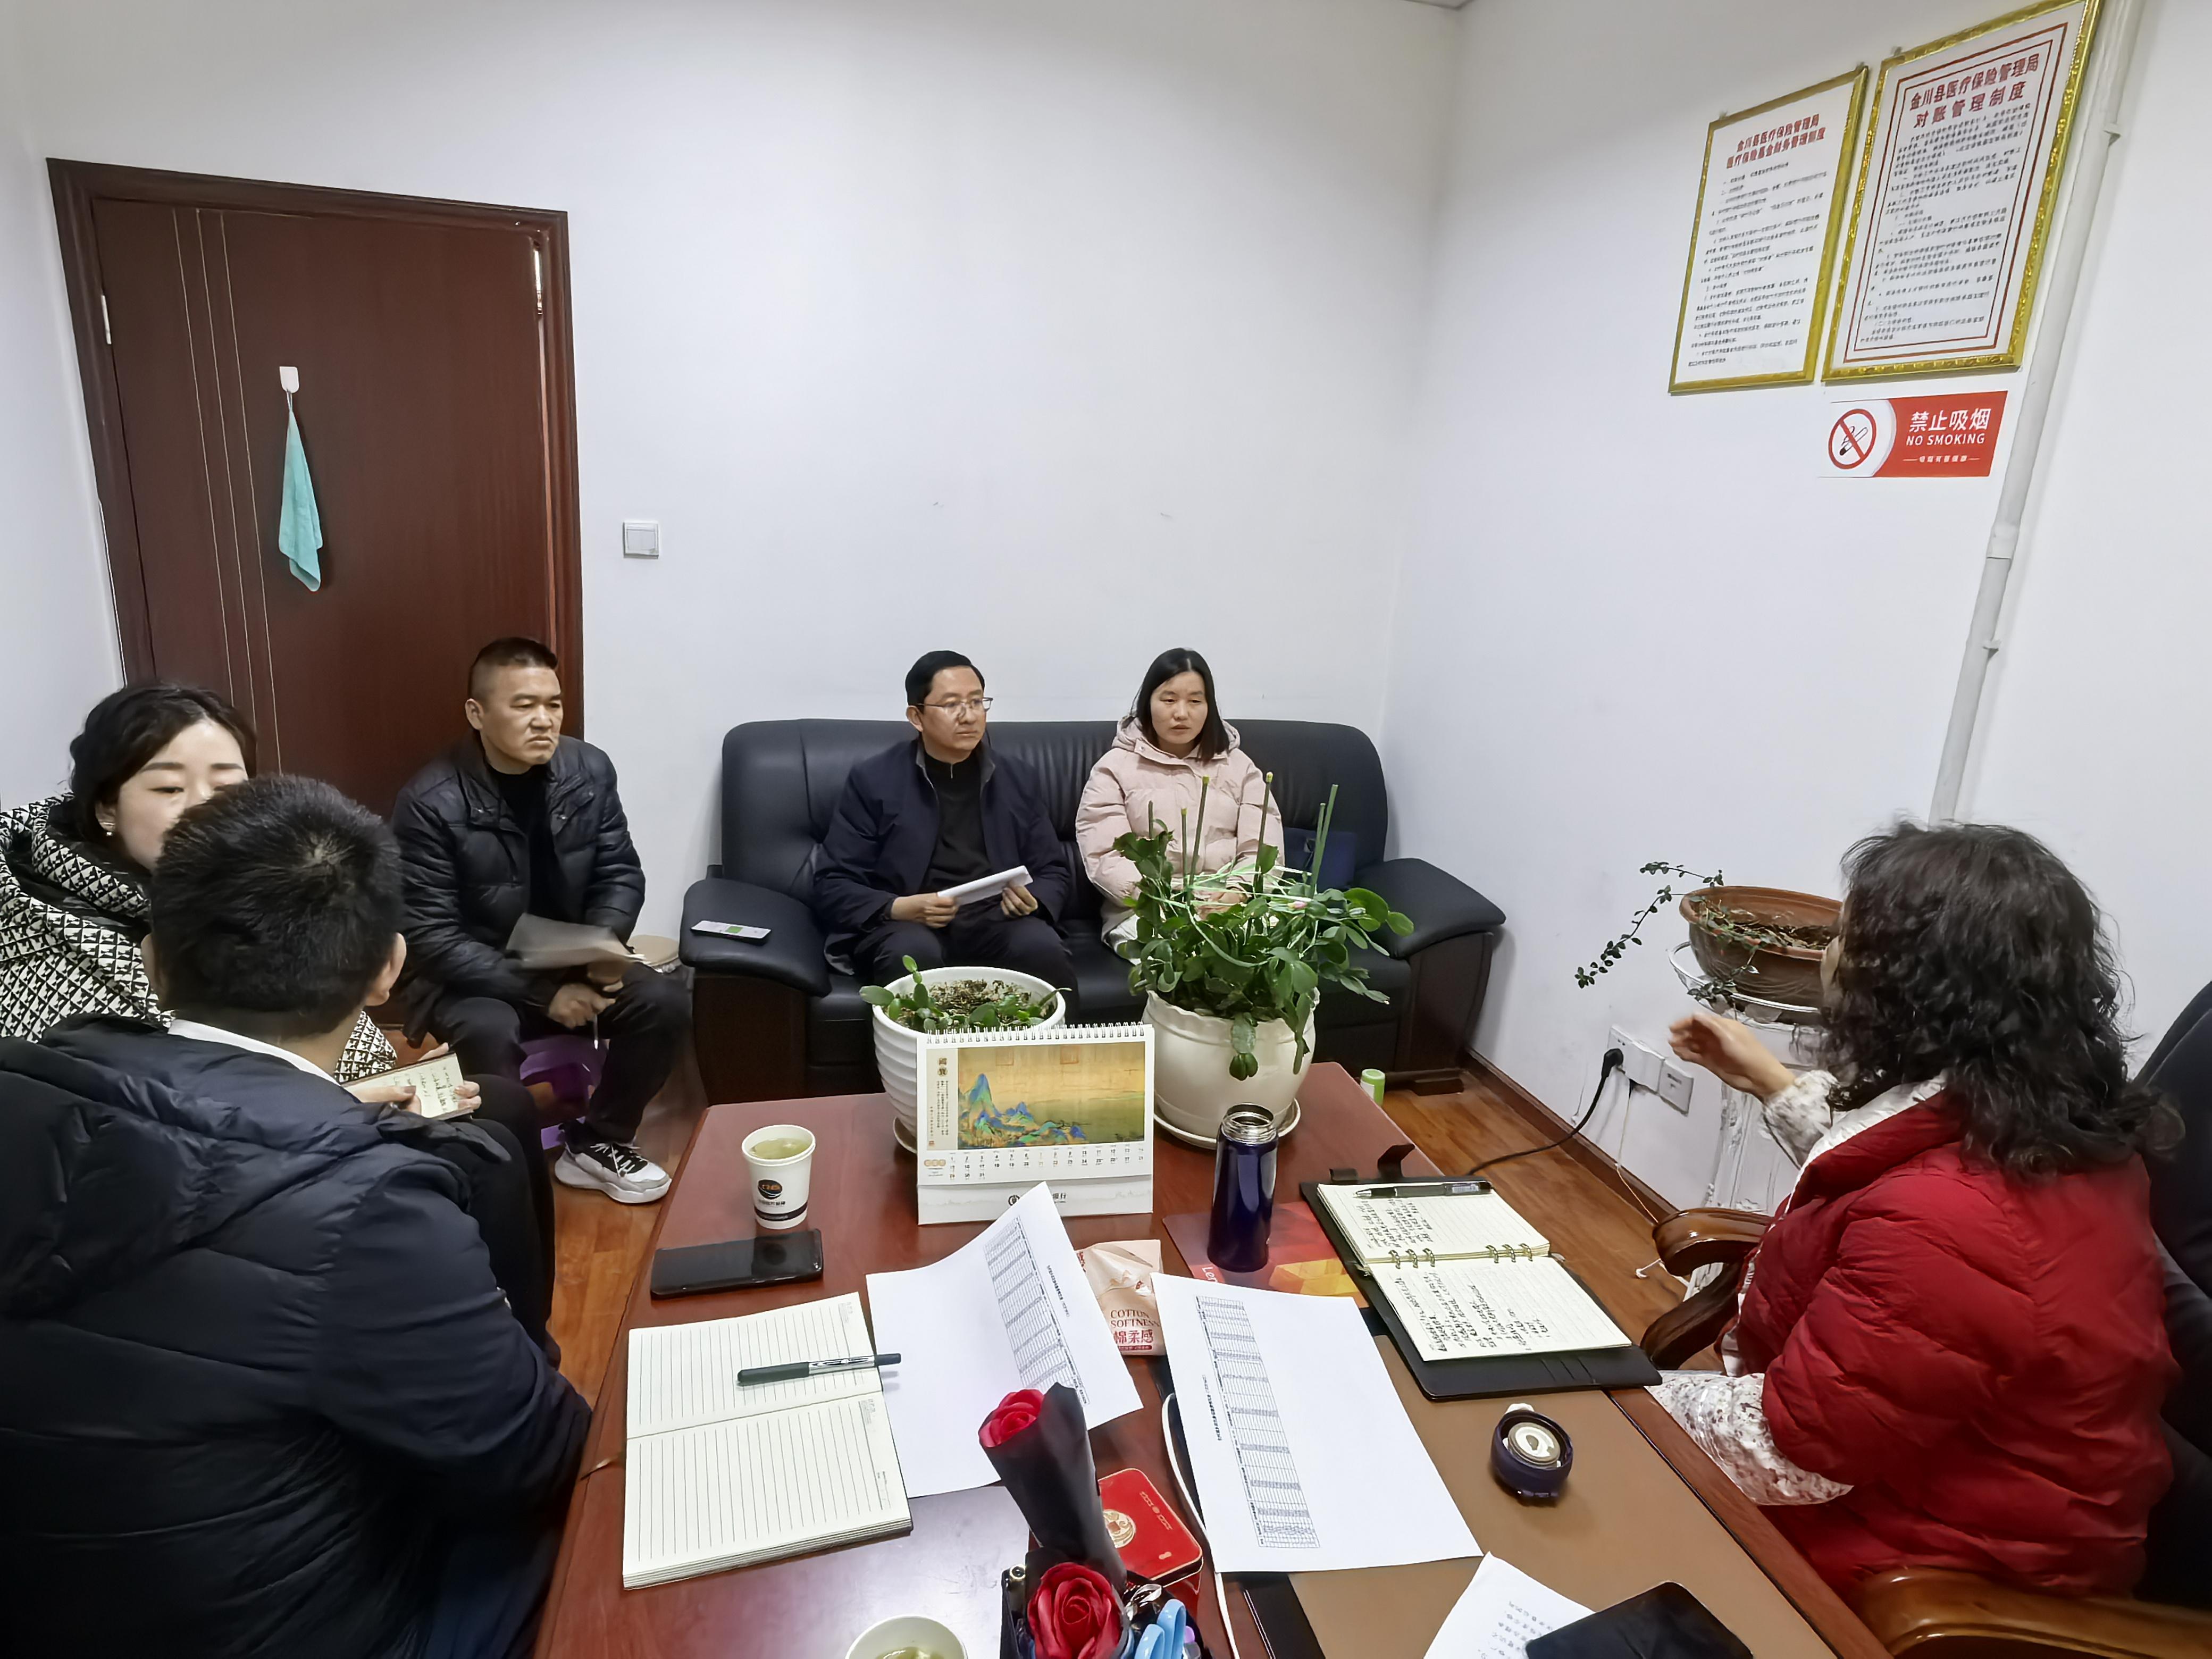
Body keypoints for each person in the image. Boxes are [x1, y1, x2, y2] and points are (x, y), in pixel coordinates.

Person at [0, 775, 588, 1658]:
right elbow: (538, 1459)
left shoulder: (25, 1082)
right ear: (388, 970)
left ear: (154, 961)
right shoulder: (364, 1206)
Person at [1653, 822, 2177, 1599]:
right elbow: (1885, 1165)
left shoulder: (1952, 1220)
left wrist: (1621, 1398)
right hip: (1946, 1484)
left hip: (1935, 1571)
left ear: (1901, 987)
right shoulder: (2046, 1116)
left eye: (1845, 937)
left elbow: (1791, 1453)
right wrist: (1770, 1082)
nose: (1828, 952)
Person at [0, 682, 555, 1339]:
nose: (202, 808)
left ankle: (523, 1336)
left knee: (500, 1103)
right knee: (481, 1152)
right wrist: (348, 1103)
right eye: (169, 787)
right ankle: (499, 1345)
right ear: (105, 807)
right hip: (166, 1188)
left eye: (226, 784)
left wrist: (376, 1086)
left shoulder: (232, 886)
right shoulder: (43, 932)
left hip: (267, 1112)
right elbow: (118, 1135)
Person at [392, 637, 688, 1204]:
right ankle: (509, 1169)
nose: (544, 720)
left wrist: (600, 957)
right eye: (523, 705)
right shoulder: (431, 802)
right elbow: (431, 937)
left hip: (567, 957)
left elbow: (620, 874)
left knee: (664, 1002)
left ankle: (599, 1141)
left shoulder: (588, 769)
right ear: (477, 713)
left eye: (553, 704)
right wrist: (544, 995)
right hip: (469, 975)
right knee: (488, 1031)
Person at [815, 649, 1074, 995]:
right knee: (912, 953)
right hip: (909, 924)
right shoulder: (874, 780)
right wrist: (899, 907)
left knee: (1041, 948)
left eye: (977, 702)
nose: (969, 716)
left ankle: (1064, 1036)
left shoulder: (1017, 778)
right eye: (952, 704)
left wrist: (1034, 899)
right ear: (917, 716)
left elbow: (1053, 870)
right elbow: (833, 883)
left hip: (997, 920)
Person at [1075, 647, 1280, 940]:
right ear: (1148, 703)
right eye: (1169, 700)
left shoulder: (1239, 767)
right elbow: (1105, 856)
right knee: (1177, 956)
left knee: (1260, 953)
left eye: (1195, 701)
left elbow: (1262, 849)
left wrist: (1237, 893)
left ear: (1209, 707)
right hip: (1146, 911)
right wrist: (1162, 902)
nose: (1181, 713)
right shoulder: (1114, 768)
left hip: (1230, 908)